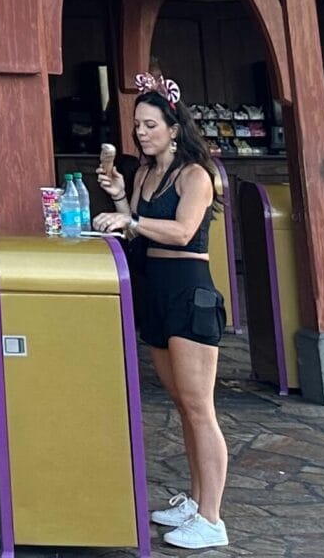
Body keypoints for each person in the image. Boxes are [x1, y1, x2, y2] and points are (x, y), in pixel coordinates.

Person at [93, 77, 231, 552]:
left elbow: (181, 229)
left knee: (199, 406)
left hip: (188, 291)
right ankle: (194, 501)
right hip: (154, 290)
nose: (142, 133)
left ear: (175, 128)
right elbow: (136, 232)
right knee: (182, 404)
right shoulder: (144, 175)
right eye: (137, 126)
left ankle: (212, 518)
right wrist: (117, 198)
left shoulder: (196, 175)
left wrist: (131, 219)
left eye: (151, 125)